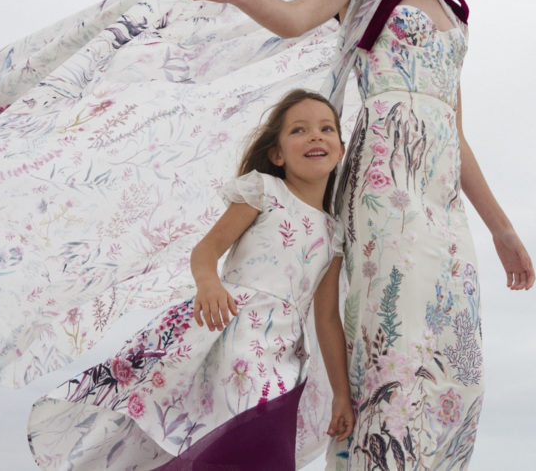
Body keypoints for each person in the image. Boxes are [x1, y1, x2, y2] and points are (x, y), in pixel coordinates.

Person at [178, 0, 535, 470]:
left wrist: (502, 229)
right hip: (383, 184)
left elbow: (455, 130)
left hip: (441, 194)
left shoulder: (457, 14)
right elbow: (292, 20)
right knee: (393, 348)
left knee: (456, 360)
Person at [27, 89, 354, 470]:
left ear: (341, 149)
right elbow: (207, 249)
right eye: (299, 130)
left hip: (284, 357)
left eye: (326, 128)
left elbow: (328, 320)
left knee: (267, 449)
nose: (315, 136)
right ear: (277, 154)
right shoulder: (264, 192)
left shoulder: (333, 234)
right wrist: (209, 284)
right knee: (232, 441)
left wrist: (341, 394)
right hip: (231, 335)